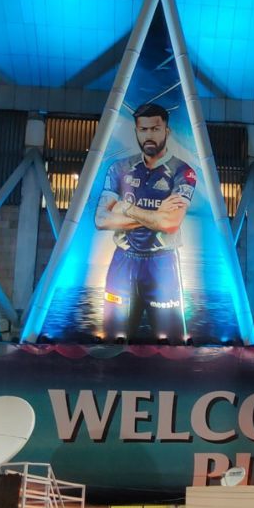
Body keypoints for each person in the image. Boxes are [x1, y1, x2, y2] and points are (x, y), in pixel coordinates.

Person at [94, 102, 196, 340]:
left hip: (162, 262)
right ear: (137, 131)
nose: (149, 135)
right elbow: (101, 218)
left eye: (155, 129)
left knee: (171, 341)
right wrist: (156, 217)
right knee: (112, 336)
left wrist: (127, 208)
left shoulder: (183, 171)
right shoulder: (119, 168)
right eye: (143, 129)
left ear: (166, 131)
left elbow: (170, 223)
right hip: (122, 259)